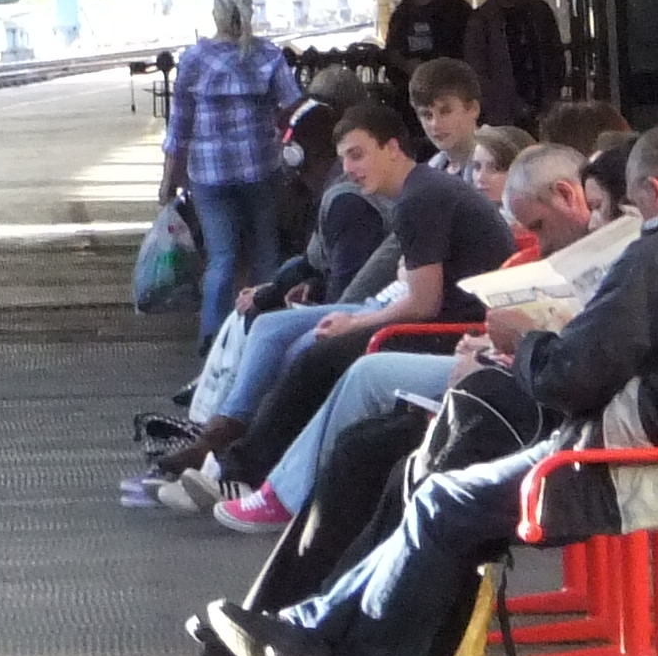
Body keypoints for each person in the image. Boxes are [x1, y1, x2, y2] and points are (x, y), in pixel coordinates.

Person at [205, 123, 658, 656]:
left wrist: (524, 341)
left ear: (656, 192)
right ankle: (316, 641)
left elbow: (570, 378)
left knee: (440, 495)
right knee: (440, 490)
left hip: (633, 465)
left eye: (635, 205)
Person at [144, 92, 514, 506]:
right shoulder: (423, 191)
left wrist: (353, 323)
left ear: (392, 148)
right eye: (345, 159)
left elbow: (423, 304)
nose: (350, 170)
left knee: (317, 358)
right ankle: (222, 444)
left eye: (359, 155)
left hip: (445, 329)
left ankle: (242, 473)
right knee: (273, 326)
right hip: (440, 317)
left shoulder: (420, 200)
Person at [233, 146, 607, 527]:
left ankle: (280, 492)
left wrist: (502, 346)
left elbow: (578, 350)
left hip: (527, 382)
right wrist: (489, 343)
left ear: (567, 194)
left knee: (358, 377)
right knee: (350, 385)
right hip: (506, 363)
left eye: (539, 226)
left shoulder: (428, 198)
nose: (538, 242)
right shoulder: (443, 201)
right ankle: (278, 487)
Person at [163, 0, 303, 341]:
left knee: (221, 259)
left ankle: (212, 340)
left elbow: (179, 126)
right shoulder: (268, 55)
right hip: (261, 170)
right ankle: (267, 332)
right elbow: (293, 110)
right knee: (266, 252)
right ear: (250, 12)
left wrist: (169, 179)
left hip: (210, 176)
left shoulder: (194, 59)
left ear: (215, 14)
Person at [469, 0, 568, 130]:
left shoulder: (539, 11)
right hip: (503, 119)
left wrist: (551, 98)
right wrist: (513, 106)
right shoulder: (480, 21)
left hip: (545, 112)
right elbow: (478, 73)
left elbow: (556, 58)